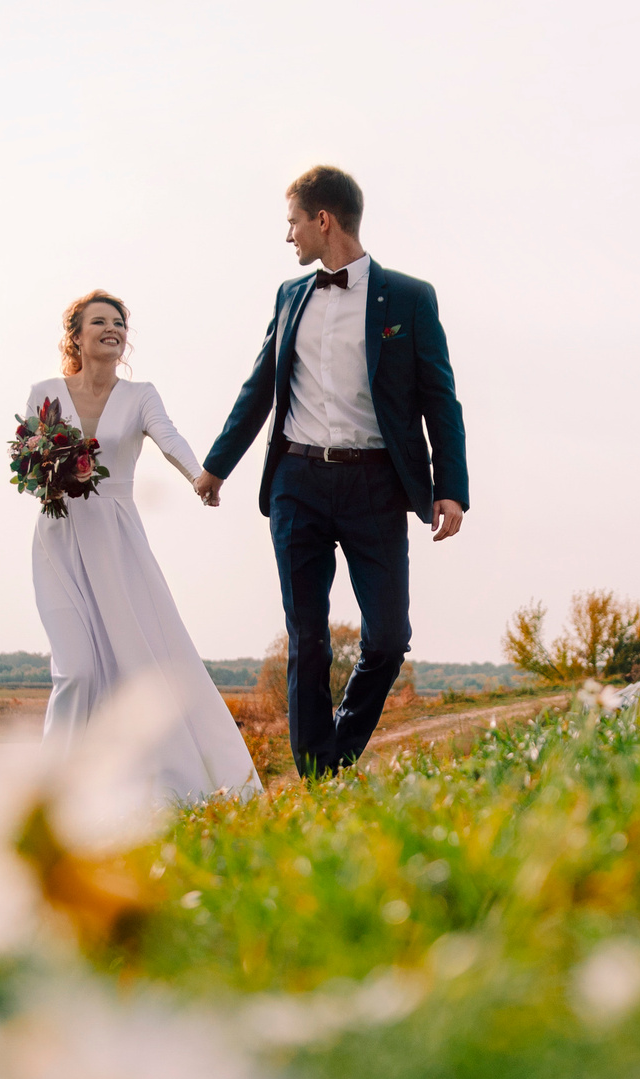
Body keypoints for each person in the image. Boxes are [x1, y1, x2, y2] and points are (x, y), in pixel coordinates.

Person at [193, 166, 468, 776]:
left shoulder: (409, 298)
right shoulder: (290, 297)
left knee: (389, 640)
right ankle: (317, 782)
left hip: (376, 486)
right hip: (299, 484)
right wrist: (217, 466)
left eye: (292, 222)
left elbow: (439, 399)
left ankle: (333, 758)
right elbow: (261, 385)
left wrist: (450, 488)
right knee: (308, 640)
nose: (287, 236)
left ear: (323, 220)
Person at [26, 290, 257, 801]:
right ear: (76, 336)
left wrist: (201, 474)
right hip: (59, 539)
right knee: (77, 670)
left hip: (118, 544)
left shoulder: (141, 395)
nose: (113, 329)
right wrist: (48, 476)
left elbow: (168, 436)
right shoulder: (44, 391)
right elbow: (32, 466)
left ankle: (171, 780)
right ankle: (52, 793)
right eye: (101, 322)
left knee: (144, 659)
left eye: (120, 323)